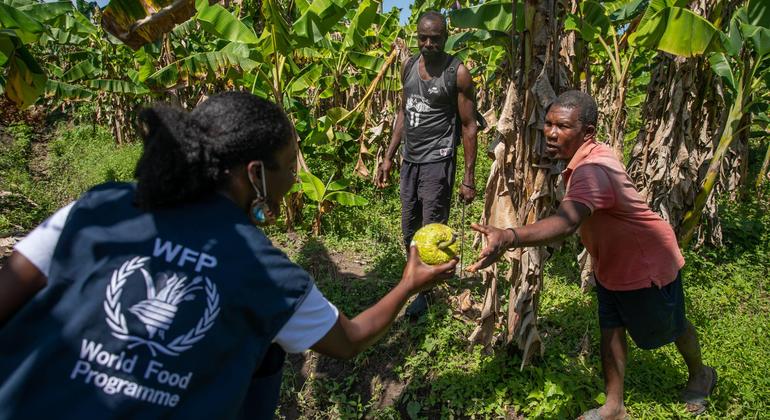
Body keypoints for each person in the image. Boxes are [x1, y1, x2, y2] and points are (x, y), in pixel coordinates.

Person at [0, 92, 457, 419]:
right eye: (291, 165)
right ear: (255, 174)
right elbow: (349, 339)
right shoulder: (266, 271)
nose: (296, 179)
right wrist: (409, 283)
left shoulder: (98, 206)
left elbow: (8, 291)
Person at [467, 91, 717, 419]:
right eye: (549, 123)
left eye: (563, 126)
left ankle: (702, 374)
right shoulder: (590, 156)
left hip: (646, 264)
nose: (551, 132)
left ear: (588, 131)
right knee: (610, 329)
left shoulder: (591, 171)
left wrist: (508, 236)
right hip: (613, 261)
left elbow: (566, 223)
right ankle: (614, 406)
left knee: (671, 326)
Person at [375, 10, 478, 317]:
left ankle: (426, 293)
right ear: (416, 37)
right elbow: (404, 114)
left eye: (435, 38)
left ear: (446, 38)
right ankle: (416, 279)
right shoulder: (408, 66)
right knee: (409, 226)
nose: (429, 43)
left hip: (438, 159)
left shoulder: (456, 73)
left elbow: (469, 125)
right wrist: (390, 156)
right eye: (423, 37)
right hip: (411, 158)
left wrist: (469, 177)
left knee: (431, 226)